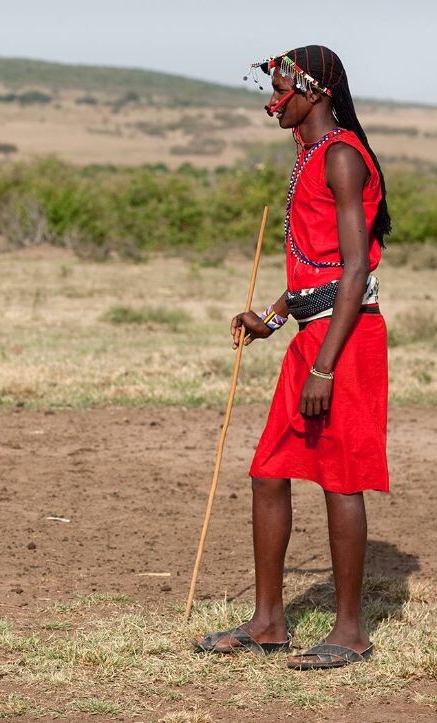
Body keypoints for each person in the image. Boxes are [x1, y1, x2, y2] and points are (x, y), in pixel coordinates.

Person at [196, 46, 391, 670]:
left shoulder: (339, 157)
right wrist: (272, 320)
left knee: (340, 478)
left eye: (282, 85)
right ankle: (269, 621)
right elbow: (318, 268)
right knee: (268, 471)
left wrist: (325, 367)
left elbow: (356, 270)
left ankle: (352, 632)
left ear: (317, 89)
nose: (273, 97)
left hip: (346, 340)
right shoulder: (309, 156)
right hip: (314, 335)